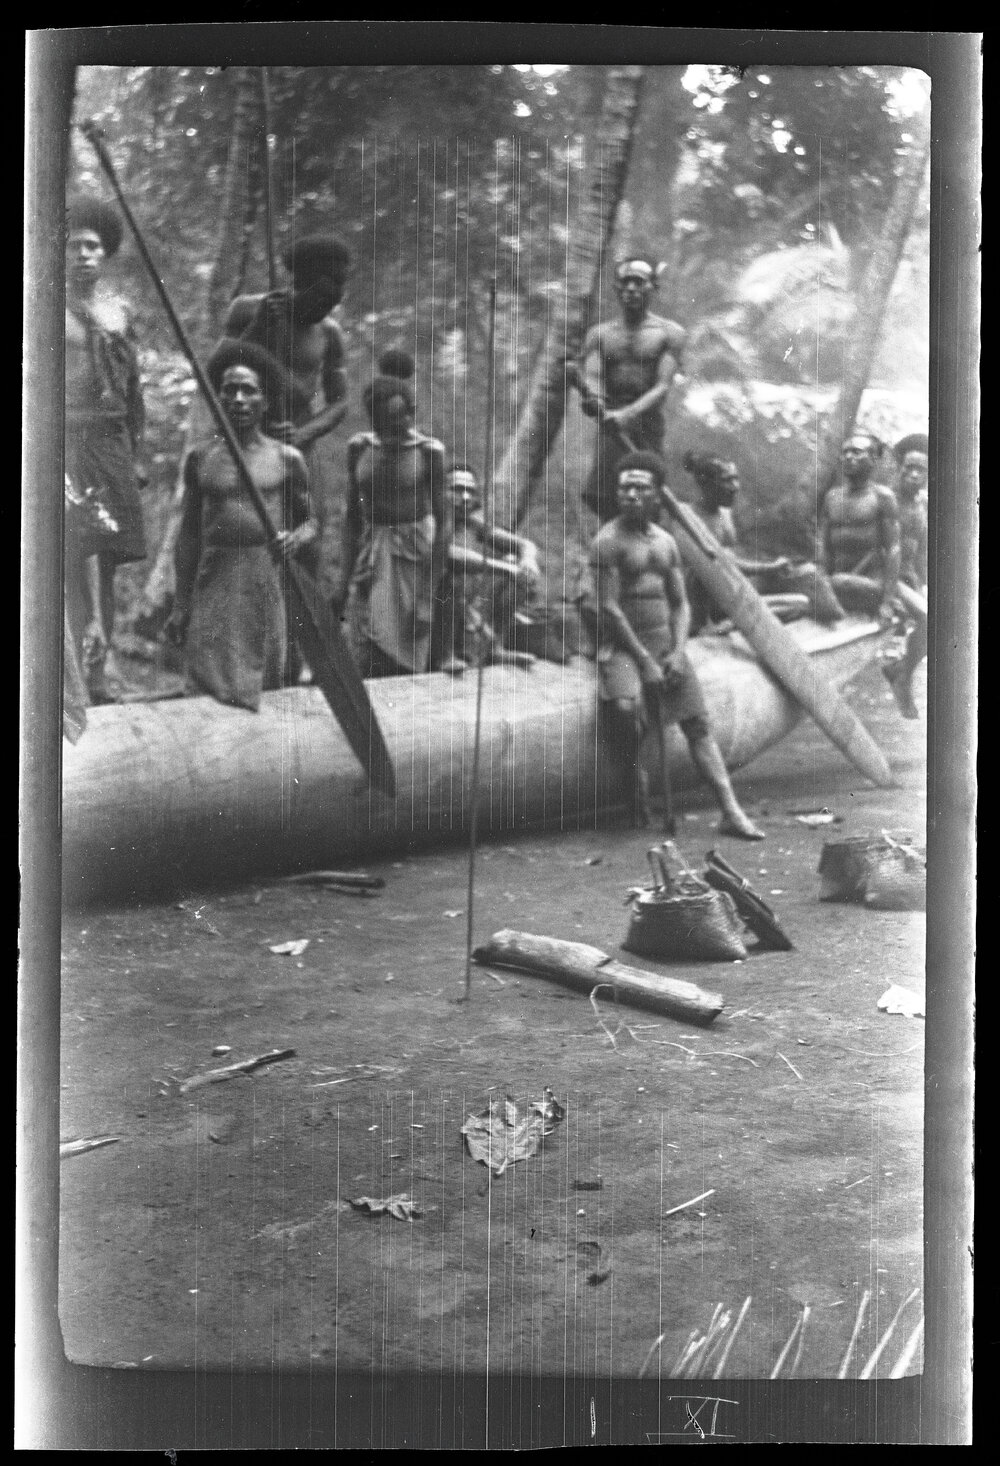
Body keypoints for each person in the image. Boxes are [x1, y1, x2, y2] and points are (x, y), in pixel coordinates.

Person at [587, 451, 764, 839]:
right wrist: (645, 661)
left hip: (666, 644)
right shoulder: (607, 542)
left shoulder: (666, 542)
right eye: (624, 487)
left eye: (640, 488)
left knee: (698, 724)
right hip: (624, 646)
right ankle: (637, 782)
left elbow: (681, 604)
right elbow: (610, 609)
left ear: (655, 495)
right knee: (623, 707)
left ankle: (731, 810)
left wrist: (679, 651)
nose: (630, 495)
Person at [163, 341, 316, 710]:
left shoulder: (286, 459)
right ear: (218, 398)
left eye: (248, 390)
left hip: (262, 583)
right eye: (229, 389)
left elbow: (311, 522)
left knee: (262, 683)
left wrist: (294, 539)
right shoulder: (202, 458)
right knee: (205, 687)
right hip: (213, 583)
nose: (238, 398)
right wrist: (182, 603)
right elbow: (188, 536)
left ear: (265, 400)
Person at [223, 233, 351, 613]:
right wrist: (261, 327)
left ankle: (297, 650)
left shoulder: (329, 333)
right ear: (302, 283)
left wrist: (304, 433)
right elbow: (219, 369)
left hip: (299, 442)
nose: (330, 306)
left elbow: (340, 400)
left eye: (336, 299)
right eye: (323, 296)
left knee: (307, 538)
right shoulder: (249, 309)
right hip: (247, 438)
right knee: (244, 535)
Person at [65, 196, 147, 701]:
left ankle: (100, 673)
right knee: (73, 556)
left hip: (112, 446)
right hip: (68, 443)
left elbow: (133, 391)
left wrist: (133, 455)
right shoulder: (46, 309)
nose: (85, 255)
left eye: (93, 247)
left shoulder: (117, 313)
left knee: (109, 559)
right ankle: (68, 677)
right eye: (74, 246)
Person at [343, 351, 450, 678]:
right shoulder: (360, 448)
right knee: (365, 640)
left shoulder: (428, 452)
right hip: (373, 552)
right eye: (384, 424)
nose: (394, 430)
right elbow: (351, 518)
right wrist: (344, 580)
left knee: (408, 645)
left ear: (411, 414)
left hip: (413, 555)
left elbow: (445, 525)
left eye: (401, 420)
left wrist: (427, 597)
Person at [681, 451, 845, 631]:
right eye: (727, 480)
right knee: (800, 603)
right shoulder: (689, 517)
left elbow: (732, 560)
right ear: (705, 483)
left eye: (735, 479)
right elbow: (720, 562)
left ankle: (837, 618)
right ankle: (726, 626)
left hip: (734, 588)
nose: (735, 487)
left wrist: (775, 569)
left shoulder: (725, 514)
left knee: (807, 575)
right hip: (713, 603)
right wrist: (769, 568)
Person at [578, 256, 687, 523]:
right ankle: (609, 553)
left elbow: (663, 386)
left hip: (646, 423)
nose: (631, 289)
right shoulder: (600, 334)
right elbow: (592, 374)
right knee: (608, 495)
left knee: (648, 496)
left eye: (638, 283)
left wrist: (628, 414)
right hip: (611, 422)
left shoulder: (669, 333)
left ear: (652, 287)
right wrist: (595, 399)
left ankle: (648, 556)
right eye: (625, 283)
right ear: (617, 289)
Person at [434, 462, 543, 672]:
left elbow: (524, 545)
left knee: (516, 564)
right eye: (457, 489)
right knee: (452, 577)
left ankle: (496, 649)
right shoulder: (430, 521)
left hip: (465, 606)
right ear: (441, 491)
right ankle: (445, 656)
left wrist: (527, 560)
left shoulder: (472, 525)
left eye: (470, 491)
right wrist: (504, 569)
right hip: (428, 610)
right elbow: (448, 556)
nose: (465, 498)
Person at [816, 432, 901, 620]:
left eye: (856, 452)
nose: (848, 457)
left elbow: (893, 549)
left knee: (839, 583)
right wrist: (821, 579)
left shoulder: (883, 497)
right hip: (836, 582)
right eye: (845, 452)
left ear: (873, 459)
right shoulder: (832, 497)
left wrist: (887, 601)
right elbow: (824, 546)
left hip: (869, 585)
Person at [882, 434, 929, 718]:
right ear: (899, 468)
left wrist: (923, 585)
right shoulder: (887, 500)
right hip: (885, 576)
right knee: (929, 620)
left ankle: (901, 670)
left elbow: (920, 552)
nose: (912, 474)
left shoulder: (922, 505)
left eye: (920, 470)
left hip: (907, 578)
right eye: (908, 468)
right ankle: (902, 676)